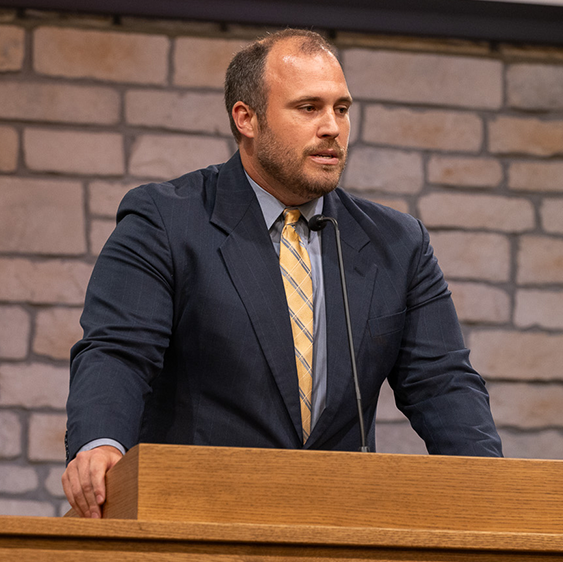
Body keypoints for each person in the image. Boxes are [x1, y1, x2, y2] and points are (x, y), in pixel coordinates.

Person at [62, 29, 503, 518]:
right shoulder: (166, 221)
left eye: (342, 108)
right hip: (194, 515)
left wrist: (491, 492)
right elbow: (119, 351)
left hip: (339, 525)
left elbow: (443, 383)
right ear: (246, 118)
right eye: (309, 108)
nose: (332, 127)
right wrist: (101, 444)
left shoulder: (398, 244)